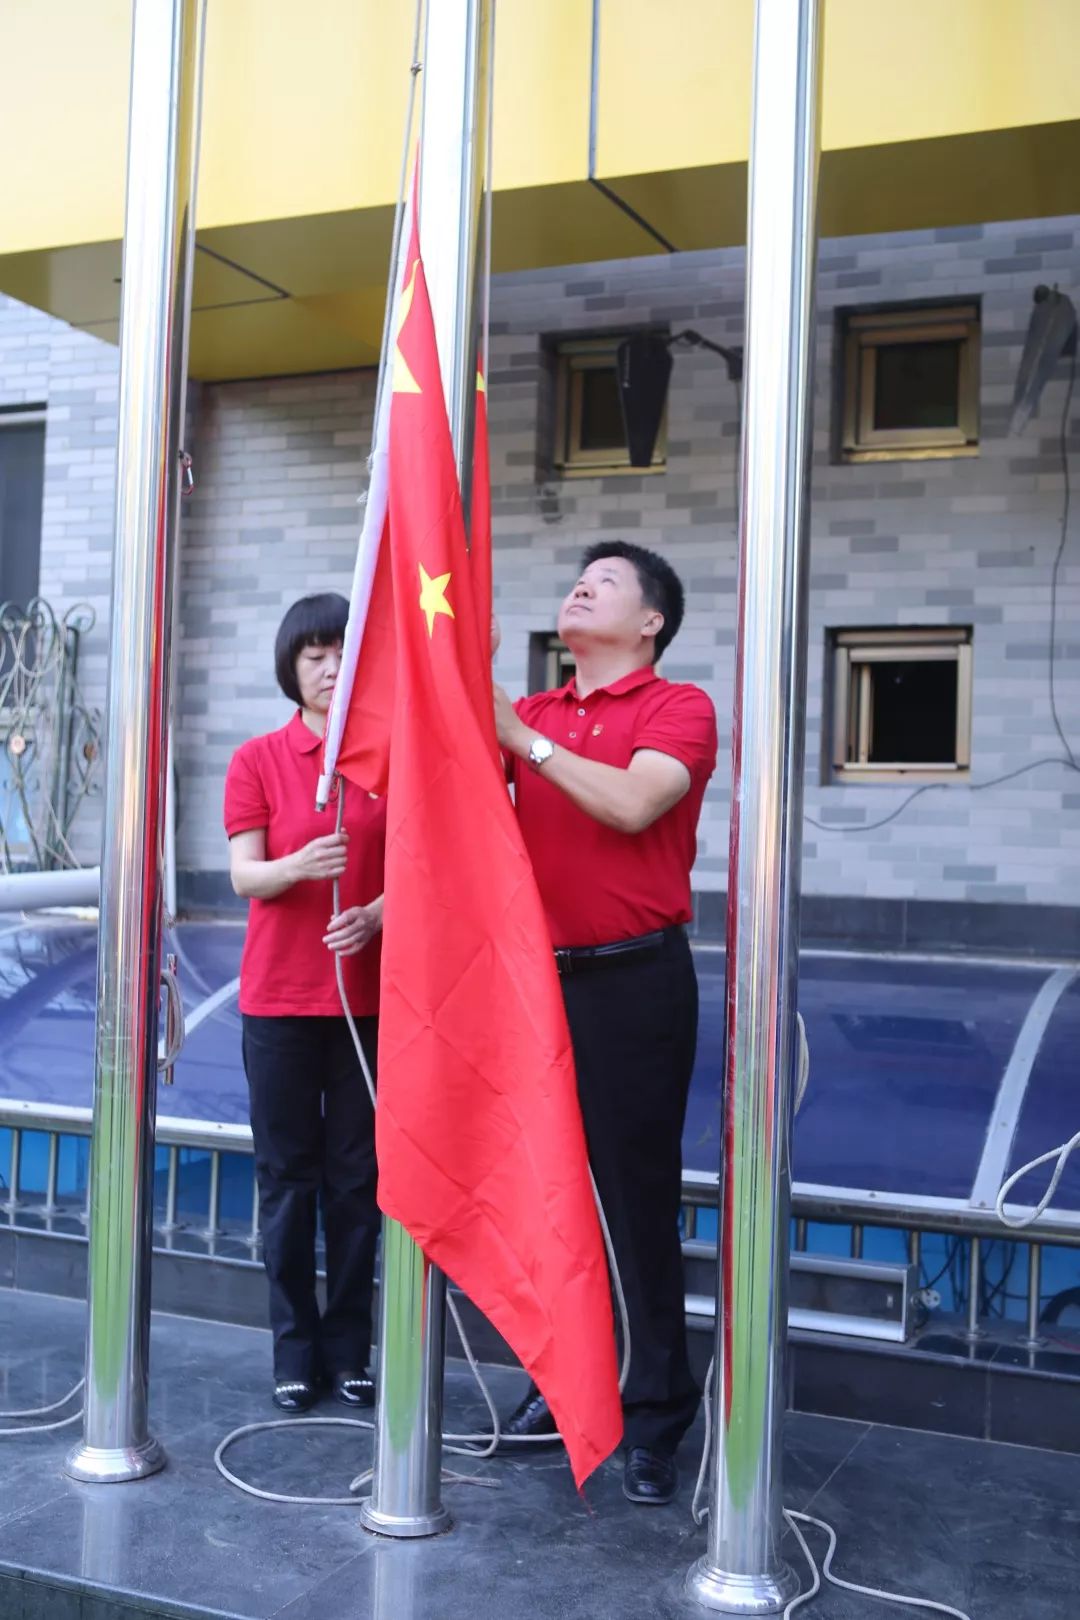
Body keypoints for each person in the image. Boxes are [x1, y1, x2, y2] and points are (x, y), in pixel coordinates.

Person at [493, 541, 718, 1506]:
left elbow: (633, 804)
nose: (582, 584)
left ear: (651, 621)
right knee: (549, 1198)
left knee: (634, 1201)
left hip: (633, 984)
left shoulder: (679, 708)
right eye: (578, 575)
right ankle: (568, 1382)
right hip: (534, 985)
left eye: (608, 581)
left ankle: (659, 1410)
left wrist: (520, 739)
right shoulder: (535, 713)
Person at [224, 593, 386, 1414]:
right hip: (280, 1004)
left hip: (368, 1007)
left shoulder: (388, 757)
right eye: (314, 653)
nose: (328, 667)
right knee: (287, 1180)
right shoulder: (258, 758)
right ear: (291, 665)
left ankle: (351, 1347)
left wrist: (377, 912)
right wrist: (298, 867)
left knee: (358, 1181)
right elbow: (245, 874)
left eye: (342, 651)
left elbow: (425, 868)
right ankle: (293, 1347)